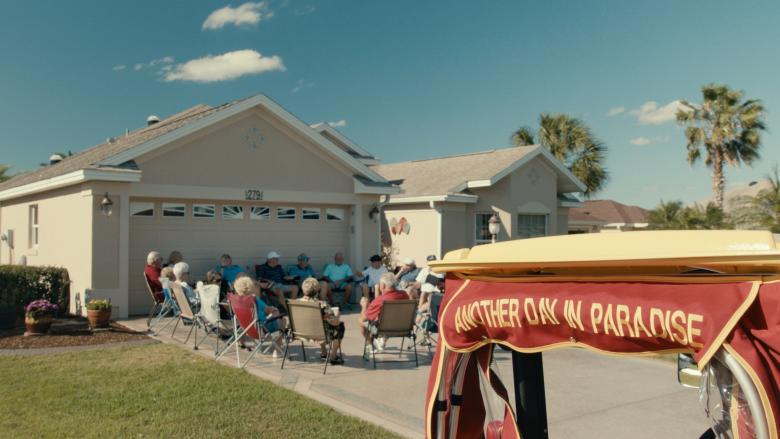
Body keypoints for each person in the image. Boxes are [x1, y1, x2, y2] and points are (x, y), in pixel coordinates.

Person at [299, 277, 345, 365]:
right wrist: (337, 315)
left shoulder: (296, 302)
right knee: (340, 327)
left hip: (301, 332)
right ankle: (333, 356)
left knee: (320, 324)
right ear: (317, 291)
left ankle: (324, 353)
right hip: (319, 334)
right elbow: (334, 322)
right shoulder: (322, 305)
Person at [233, 275, 282, 356]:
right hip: (262, 333)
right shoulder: (254, 299)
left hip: (248, 330)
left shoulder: (236, 300)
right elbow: (268, 310)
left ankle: (249, 344)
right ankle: (277, 352)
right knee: (279, 324)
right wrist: (274, 310)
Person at [358, 272, 409, 351]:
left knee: (360, 320)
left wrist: (364, 306)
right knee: (381, 320)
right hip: (404, 328)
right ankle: (381, 340)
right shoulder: (404, 295)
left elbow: (364, 318)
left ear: (383, 286)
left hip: (384, 330)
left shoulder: (380, 300)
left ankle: (371, 344)